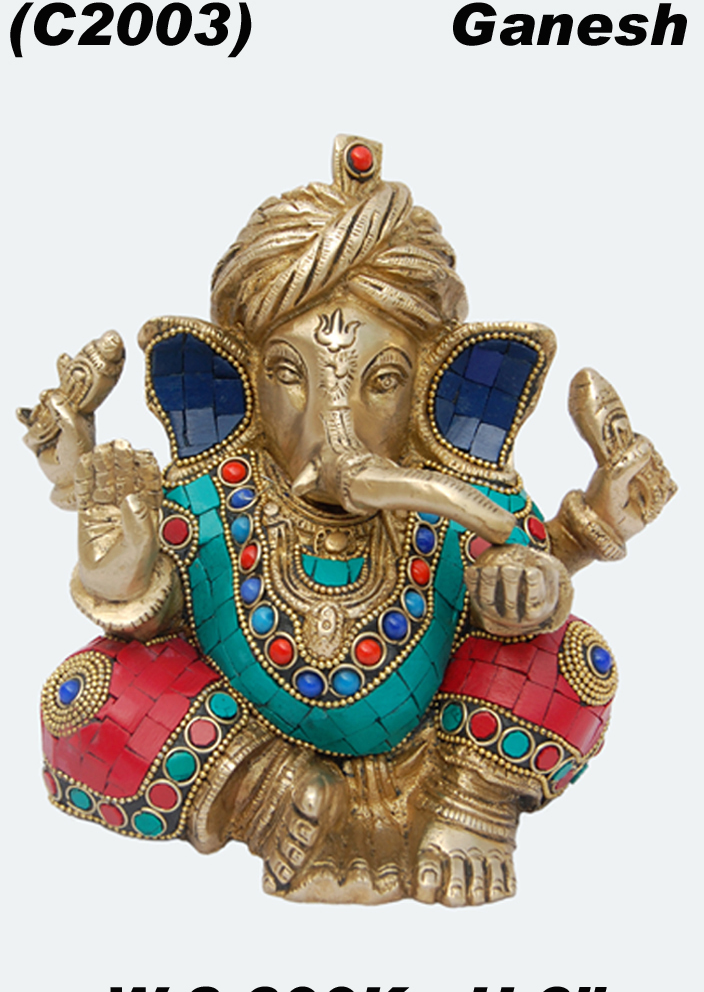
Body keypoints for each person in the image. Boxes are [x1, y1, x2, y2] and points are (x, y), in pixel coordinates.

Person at [22, 135, 675, 905]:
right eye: (288, 374)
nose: (331, 428)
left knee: (571, 659)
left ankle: (472, 802)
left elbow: (528, 574)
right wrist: (117, 564)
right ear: (233, 381)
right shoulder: (213, 493)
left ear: (441, 390)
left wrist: (569, 546)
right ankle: (263, 799)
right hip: (249, 750)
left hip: (437, 754)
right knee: (88, 695)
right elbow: (153, 622)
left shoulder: (449, 492)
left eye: (383, 380)